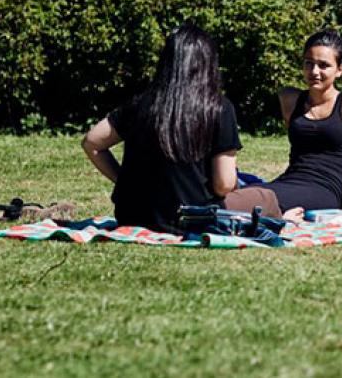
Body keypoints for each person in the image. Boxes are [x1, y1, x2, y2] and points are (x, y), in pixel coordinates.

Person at [81, 25, 242, 234]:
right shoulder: (218, 108)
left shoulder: (141, 104)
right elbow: (224, 184)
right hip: (193, 221)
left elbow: (92, 142)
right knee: (264, 199)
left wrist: (124, 180)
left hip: (133, 217)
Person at [223, 30, 342, 219]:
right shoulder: (290, 99)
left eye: (323, 65)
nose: (314, 72)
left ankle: (271, 216)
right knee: (235, 193)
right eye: (309, 63)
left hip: (323, 190)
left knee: (245, 201)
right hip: (287, 182)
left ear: (340, 69)